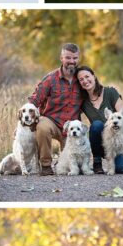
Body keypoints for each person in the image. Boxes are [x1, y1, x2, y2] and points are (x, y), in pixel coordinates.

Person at [29, 43, 83, 176]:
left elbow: (95, 95)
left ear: (78, 58)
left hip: (71, 127)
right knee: (42, 127)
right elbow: (34, 101)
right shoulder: (51, 79)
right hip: (51, 120)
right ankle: (46, 165)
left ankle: (61, 163)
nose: (72, 61)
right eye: (68, 58)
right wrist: (22, 124)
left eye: (75, 58)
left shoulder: (82, 78)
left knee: (71, 167)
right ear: (61, 58)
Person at [75, 65, 123, 174]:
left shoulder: (110, 92)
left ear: (93, 76)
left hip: (116, 141)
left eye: (87, 76)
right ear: (79, 83)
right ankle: (97, 161)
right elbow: (72, 117)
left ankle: (116, 159)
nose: (85, 81)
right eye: (81, 79)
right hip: (98, 143)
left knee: (121, 169)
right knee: (97, 125)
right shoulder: (82, 101)